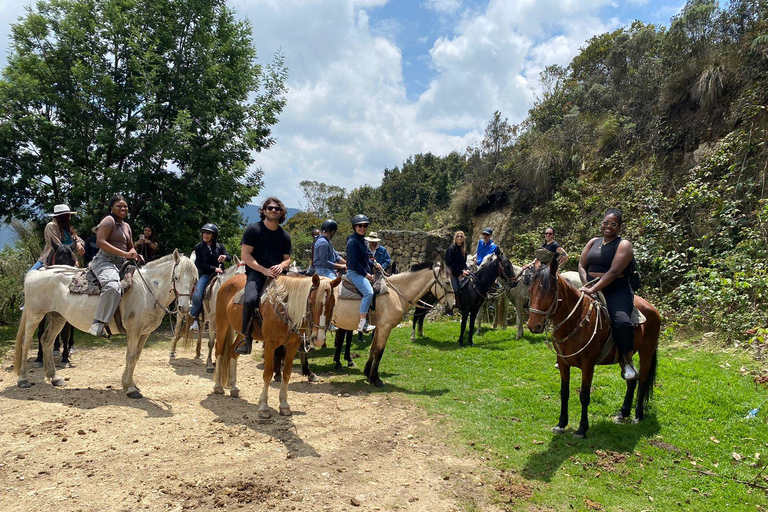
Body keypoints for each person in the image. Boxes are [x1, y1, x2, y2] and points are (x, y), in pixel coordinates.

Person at [578, 208, 637, 381]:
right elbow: (582, 265)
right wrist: (586, 285)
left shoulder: (624, 245)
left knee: (622, 322)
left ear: (619, 226)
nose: (608, 226)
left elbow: (613, 272)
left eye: (613, 224)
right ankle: (568, 353)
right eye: (605, 222)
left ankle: (627, 361)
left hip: (616, 289)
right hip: (589, 286)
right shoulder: (593, 242)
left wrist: (593, 289)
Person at [236, 197, 292, 355]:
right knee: (250, 299)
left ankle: (299, 336)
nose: (273, 210)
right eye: (270, 208)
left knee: (298, 300)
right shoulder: (253, 230)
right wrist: (264, 270)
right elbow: (246, 255)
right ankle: (246, 338)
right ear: (264, 211)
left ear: (281, 213)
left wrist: (281, 266)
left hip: (279, 276)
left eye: (277, 209)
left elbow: (287, 259)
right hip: (257, 272)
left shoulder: (284, 236)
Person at [88, 195, 143, 337]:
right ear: (111, 207)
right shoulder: (108, 220)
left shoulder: (127, 226)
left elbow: (130, 247)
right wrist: (125, 254)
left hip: (121, 263)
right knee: (112, 286)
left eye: (125, 206)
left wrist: (134, 254)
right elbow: (101, 242)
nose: (123, 208)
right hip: (105, 261)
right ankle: (98, 323)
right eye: (119, 206)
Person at [190, 223, 231, 331]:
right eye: (204, 232)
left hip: (221, 274)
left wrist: (225, 256)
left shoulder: (219, 246)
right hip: (206, 274)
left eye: (208, 233)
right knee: (198, 295)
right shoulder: (198, 247)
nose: (205, 235)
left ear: (213, 235)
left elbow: (230, 258)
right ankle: (195, 317)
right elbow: (199, 263)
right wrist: (214, 268)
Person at [29, 204, 85, 272]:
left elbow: (77, 239)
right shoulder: (51, 226)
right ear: (63, 216)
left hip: (68, 258)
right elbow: (58, 245)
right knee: (29, 274)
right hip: (52, 257)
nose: (70, 217)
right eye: (68, 215)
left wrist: (78, 244)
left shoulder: (68, 228)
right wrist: (74, 258)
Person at [346, 214, 377, 333]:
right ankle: (362, 323)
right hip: (354, 273)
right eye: (360, 226)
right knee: (369, 292)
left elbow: (365, 259)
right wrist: (366, 274)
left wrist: (374, 264)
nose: (362, 228)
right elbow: (353, 263)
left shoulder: (362, 241)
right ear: (355, 227)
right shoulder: (352, 242)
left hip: (360, 272)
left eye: (365, 226)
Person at [445, 230, 471, 309]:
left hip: (461, 271)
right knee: (455, 289)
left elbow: (464, 263)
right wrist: (460, 272)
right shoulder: (451, 248)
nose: (459, 238)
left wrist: (467, 269)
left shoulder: (464, 250)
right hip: (452, 272)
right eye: (458, 236)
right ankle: (452, 307)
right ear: (455, 238)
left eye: (461, 236)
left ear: (463, 239)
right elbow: (449, 263)